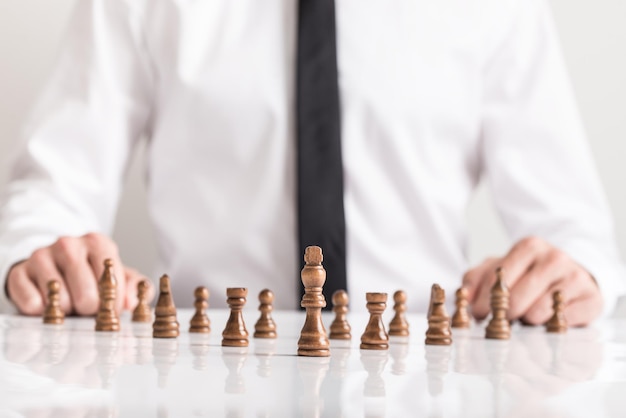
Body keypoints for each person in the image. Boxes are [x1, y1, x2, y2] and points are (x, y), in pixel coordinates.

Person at [0, 0, 624, 323]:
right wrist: (41, 253)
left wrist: (574, 276)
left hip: (424, 379)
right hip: (199, 371)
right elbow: (50, 194)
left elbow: (576, 232)